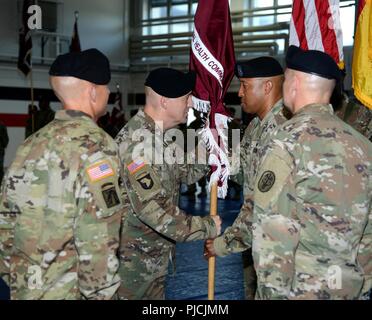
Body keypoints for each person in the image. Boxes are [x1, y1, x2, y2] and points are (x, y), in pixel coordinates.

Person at [206, 45, 371, 299]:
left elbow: (271, 228)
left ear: (292, 85)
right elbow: (368, 236)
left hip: (299, 285)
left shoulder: (286, 140)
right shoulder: (362, 144)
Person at [0, 49, 125, 300]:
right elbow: (97, 235)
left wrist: (15, 276)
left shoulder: (30, 144)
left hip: (25, 287)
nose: (108, 93)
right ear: (92, 92)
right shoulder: (97, 146)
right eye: (105, 86)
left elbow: (6, 220)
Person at [115, 67, 222, 300]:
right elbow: (154, 212)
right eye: (186, 98)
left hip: (153, 263)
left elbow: (189, 172)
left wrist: (210, 142)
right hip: (132, 270)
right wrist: (207, 227)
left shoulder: (162, 139)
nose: (191, 103)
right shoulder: (137, 145)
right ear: (164, 101)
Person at [212, 57, 289, 299]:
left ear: (267, 87)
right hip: (258, 241)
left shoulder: (283, 129)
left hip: (280, 246)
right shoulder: (257, 125)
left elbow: (261, 202)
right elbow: (239, 166)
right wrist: (214, 150)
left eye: (245, 85)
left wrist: (224, 243)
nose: (239, 92)